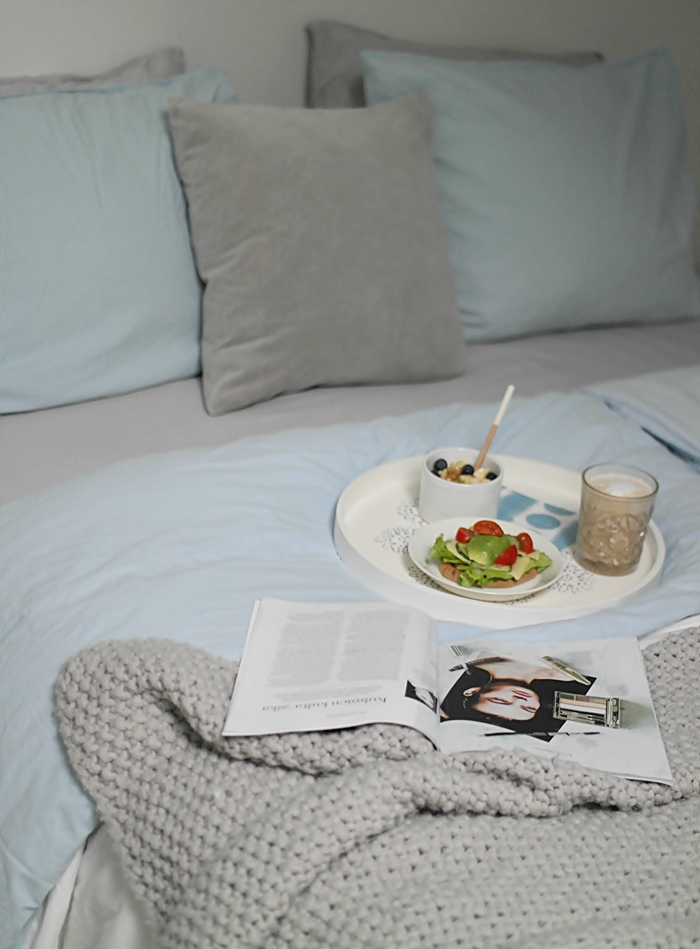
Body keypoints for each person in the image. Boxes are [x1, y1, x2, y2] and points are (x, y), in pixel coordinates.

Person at [440, 653, 591, 735]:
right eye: (529, 708)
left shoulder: (469, 657)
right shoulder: (567, 676)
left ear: (473, 691)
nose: (519, 700)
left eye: (500, 700)